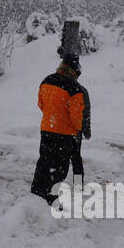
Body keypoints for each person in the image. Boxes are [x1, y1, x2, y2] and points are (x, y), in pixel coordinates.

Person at [31, 54, 86, 205]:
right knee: (59, 167)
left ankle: (37, 191)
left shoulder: (46, 80)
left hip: (47, 129)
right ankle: (51, 196)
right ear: (74, 71)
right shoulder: (75, 88)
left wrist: (52, 116)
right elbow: (76, 117)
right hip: (65, 134)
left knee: (44, 161)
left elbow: (41, 104)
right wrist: (78, 128)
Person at [71, 80, 91, 182]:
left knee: (60, 158)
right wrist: (86, 131)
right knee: (76, 158)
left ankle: (54, 183)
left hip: (62, 129)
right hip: (75, 130)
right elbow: (86, 113)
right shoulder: (82, 90)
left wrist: (87, 130)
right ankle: (78, 184)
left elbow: (86, 113)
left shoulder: (60, 87)